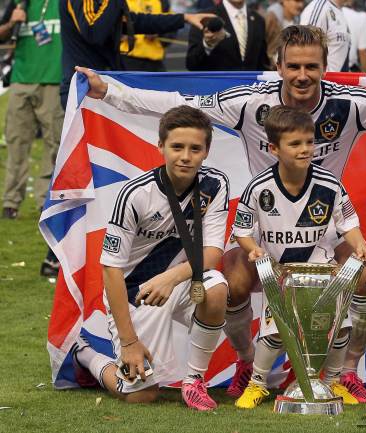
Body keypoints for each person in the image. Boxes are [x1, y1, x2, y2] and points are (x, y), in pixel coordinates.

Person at [76, 24, 366, 403]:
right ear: (278, 65)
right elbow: (176, 102)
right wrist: (110, 91)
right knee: (232, 281)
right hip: (262, 236)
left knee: (364, 274)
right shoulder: (249, 103)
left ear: (325, 66)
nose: (302, 76)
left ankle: (343, 373)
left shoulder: (351, 104)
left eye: (312, 67)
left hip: (322, 235)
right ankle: (250, 364)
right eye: (293, 66)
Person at [70, 105, 230, 411]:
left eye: (195, 148)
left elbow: (212, 253)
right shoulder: (135, 194)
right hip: (137, 293)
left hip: (179, 282)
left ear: (206, 152)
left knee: (217, 288)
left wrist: (171, 277)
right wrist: (130, 343)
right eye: (177, 147)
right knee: (139, 394)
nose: (186, 156)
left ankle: (194, 381)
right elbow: (111, 269)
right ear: (160, 147)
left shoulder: (215, 185)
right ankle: (85, 353)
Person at [232, 105, 366, 408]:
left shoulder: (329, 184)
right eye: (295, 143)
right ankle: (257, 385)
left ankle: (332, 383)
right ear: (274, 148)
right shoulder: (258, 188)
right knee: (276, 332)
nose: (305, 149)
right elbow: (242, 229)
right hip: (280, 274)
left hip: (324, 271)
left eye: (309, 142)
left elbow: (349, 224)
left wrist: (359, 245)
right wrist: (251, 248)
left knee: (338, 327)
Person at [0, 0, 65, 277]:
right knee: (16, 142)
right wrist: (13, 21)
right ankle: (10, 202)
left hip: (53, 79)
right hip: (21, 79)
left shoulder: (65, 5)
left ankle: (43, 201)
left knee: (54, 146)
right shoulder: (19, 2)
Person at [59, 0, 213, 106]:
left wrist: (185, 18)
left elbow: (134, 22)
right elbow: (94, 32)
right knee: (87, 150)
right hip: (83, 87)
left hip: (103, 85)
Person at [186, 0, 270, 71]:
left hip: (251, 87)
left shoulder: (259, 20)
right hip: (216, 88)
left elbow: (262, 63)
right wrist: (207, 45)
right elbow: (191, 63)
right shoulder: (204, 18)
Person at [120, 0, 174, 72]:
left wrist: (159, 33)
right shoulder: (118, 2)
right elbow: (107, 25)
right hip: (125, 58)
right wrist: (120, 35)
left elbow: (171, 25)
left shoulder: (162, 2)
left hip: (155, 60)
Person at [300, 0, 350, 72]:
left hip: (336, 80)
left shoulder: (339, 10)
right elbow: (305, 48)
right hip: (322, 80)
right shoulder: (319, 6)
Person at [342, 0, 366, 72]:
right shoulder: (360, 17)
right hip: (347, 72)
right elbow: (364, 52)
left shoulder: (323, 10)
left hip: (325, 72)